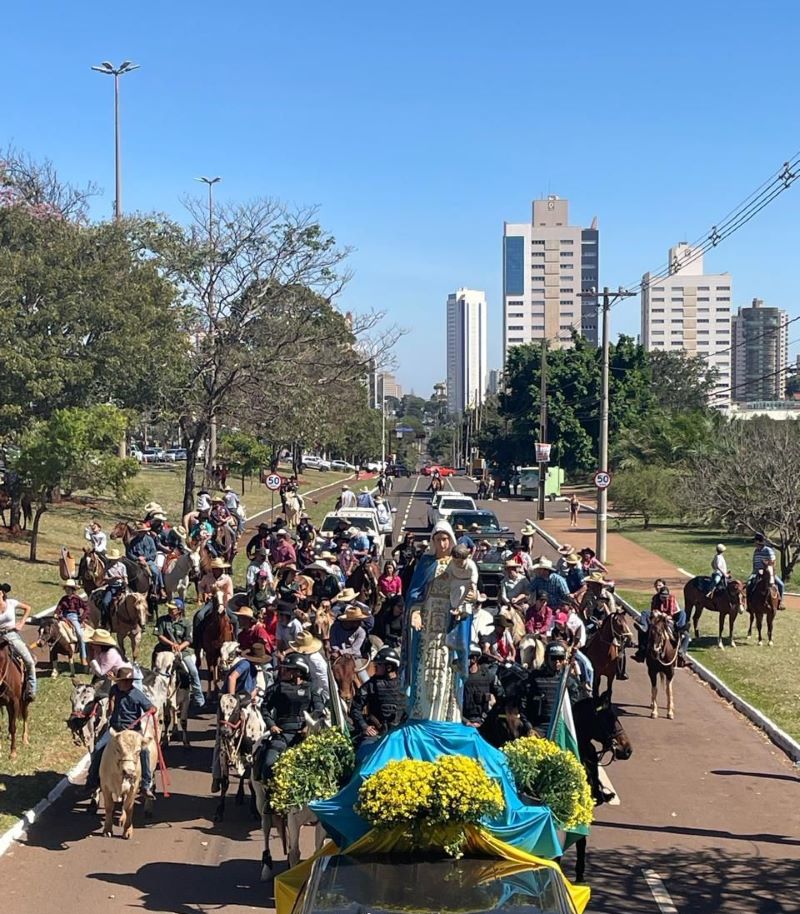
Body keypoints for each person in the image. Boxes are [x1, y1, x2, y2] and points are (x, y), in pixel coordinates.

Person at [405, 521, 474, 722]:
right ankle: (423, 712)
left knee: (447, 666)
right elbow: (415, 593)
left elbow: (470, 588)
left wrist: (471, 598)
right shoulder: (426, 564)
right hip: (427, 625)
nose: (442, 544)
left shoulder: (460, 563)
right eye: (438, 539)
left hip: (450, 623)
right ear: (433, 541)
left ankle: (447, 715)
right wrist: (415, 611)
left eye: (445, 539)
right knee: (426, 666)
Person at [84, 666, 155, 799]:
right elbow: (111, 705)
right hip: (115, 730)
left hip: (133, 732)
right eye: (123, 681)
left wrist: (152, 709)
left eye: (129, 681)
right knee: (98, 748)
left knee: (145, 752)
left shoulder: (137, 694)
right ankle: (92, 782)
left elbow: (150, 707)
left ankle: (145, 785)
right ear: (118, 681)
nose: (126, 683)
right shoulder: (114, 690)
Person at [255, 653, 325, 789]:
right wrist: (272, 725)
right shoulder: (276, 689)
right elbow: (264, 708)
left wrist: (308, 726)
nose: (283, 672)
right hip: (281, 735)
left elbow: (319, 710)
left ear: (298, 672)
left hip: (304, 737)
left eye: (287, 669)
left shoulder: (311, 689)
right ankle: (269, 796)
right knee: (268, 763)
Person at [154, 602, 205, 710]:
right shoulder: (162, 620)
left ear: (179, 610)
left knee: (193, 671)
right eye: (169, 608)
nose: (170, 610)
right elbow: (159, 635)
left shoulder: (186, 623)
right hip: (164, 649)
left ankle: (198, 698)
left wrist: (180, 647)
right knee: (155, 670)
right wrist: (171, 644)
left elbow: (189, 640)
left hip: (182, 651)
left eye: (173, 609)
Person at [351, 646, 405, 743]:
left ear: (389, 667)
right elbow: (355, 708)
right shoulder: (370, 685)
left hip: (400, 733)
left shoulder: (403, 684)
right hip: (377, 734)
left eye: (378, 665)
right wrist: (365, 726)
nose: (375, 667)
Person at [0, 584, 36, 699]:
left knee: (29, 661)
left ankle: (31, 688)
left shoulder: (11, 603)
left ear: (2, 593)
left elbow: (27, 608)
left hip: (11, 635)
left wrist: (21, 623)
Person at [634, 586, 686, 662]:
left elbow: (671, 613)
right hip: (657, 618)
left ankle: (681, 630)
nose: (664, 599)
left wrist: (666, 616)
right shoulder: (655, 598)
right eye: (662, 597)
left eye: (665, 597)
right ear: (659, 595)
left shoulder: (671, 598)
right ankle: (644, 628)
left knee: (682, 613)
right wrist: (657, 613)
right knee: (644, 613)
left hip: (669, 618)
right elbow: (653, 610)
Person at [288, 631, 330, 703]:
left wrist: (326, 696)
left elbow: (324, 679)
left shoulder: (314, 659)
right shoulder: (307, 656)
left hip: (319, 691)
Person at [461, 646, 498, 727]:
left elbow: (499, 697)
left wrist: (483, 719)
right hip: (463, 722)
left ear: (474, 659)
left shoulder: (487, 676)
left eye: (466, 657)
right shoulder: (459, 677)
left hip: (483, 722)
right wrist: (467, 722)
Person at [55, 579, 89, 666]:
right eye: (66, 588)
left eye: (69, 588)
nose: (67, 590)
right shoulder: (63, 599)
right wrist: (57, 615)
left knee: (80, 635)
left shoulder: (77, 599)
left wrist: (81, 619)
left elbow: (86, 608)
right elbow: (58, 609)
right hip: (64, 618)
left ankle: (83, 657)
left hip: (74, 618)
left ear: (73, 589)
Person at [749, 532, 784, 605]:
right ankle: (749, 603)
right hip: (756, 572)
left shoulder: (768, 550)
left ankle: (780, 602)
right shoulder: (756, 551)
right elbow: (755, 562)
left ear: (758, 541)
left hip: (768, 572)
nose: (754, 543)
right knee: (749, 583)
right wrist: (754, 571)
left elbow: (772, 562)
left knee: (781, 584)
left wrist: (767, 570)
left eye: (755, 541)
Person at [99, 547, 128, 629]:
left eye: (116, 559)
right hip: (112, 587)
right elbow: (104, 579)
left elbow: (125, 576)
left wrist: (126, 581)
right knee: (105, 602)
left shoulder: (122, 566)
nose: (114, 560)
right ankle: (104, 621)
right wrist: (114, 578)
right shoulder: (107, 567)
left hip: (121, 586)